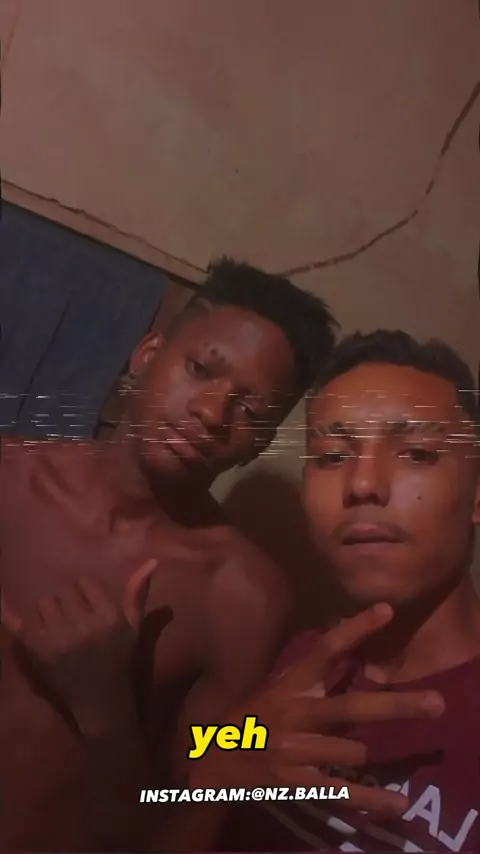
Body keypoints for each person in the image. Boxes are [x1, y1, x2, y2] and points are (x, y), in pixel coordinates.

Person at [0, 258, 338, 852]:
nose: (211, 414)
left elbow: (181, 820)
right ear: (147, 354)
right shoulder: (9, 480)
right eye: (200, 369)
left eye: (251, 411)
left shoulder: (244, 600)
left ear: (260, 442)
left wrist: (104, 704)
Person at [171, 329, 480, 853]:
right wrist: (215, 773)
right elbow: (185, 779)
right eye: (333, 456)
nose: (362, 485)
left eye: (416, 453)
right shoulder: (300, 661)